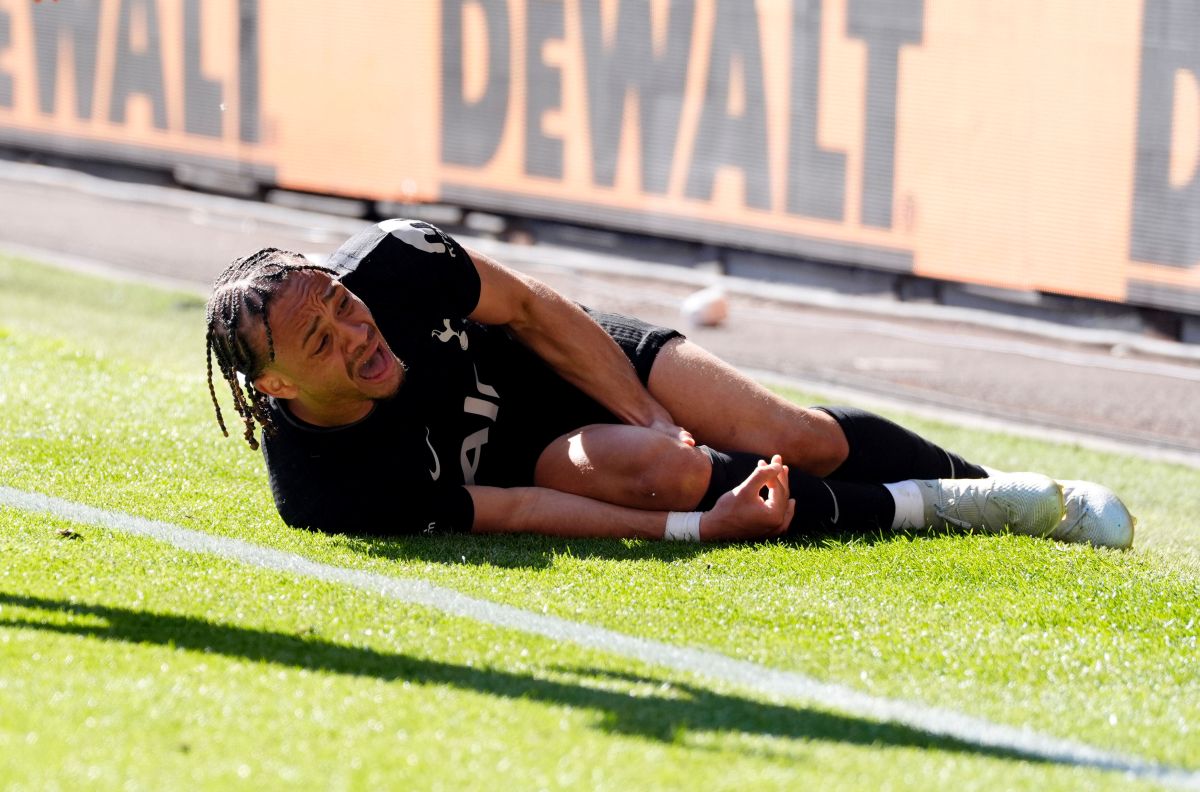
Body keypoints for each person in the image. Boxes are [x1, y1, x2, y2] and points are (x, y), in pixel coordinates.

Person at [204, 219, 1134, 548]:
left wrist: (646, 405)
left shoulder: (394, 262)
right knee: (675, 476)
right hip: (542, 460)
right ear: (277, 390)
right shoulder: (330, 490)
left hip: (578, 359)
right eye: (320, 343)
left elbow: (531, 308)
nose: (355, 332)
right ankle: (991, 508)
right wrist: (693, 525)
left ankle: (980, 482)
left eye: (341, 304)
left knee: (788, 429)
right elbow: (518, 512)